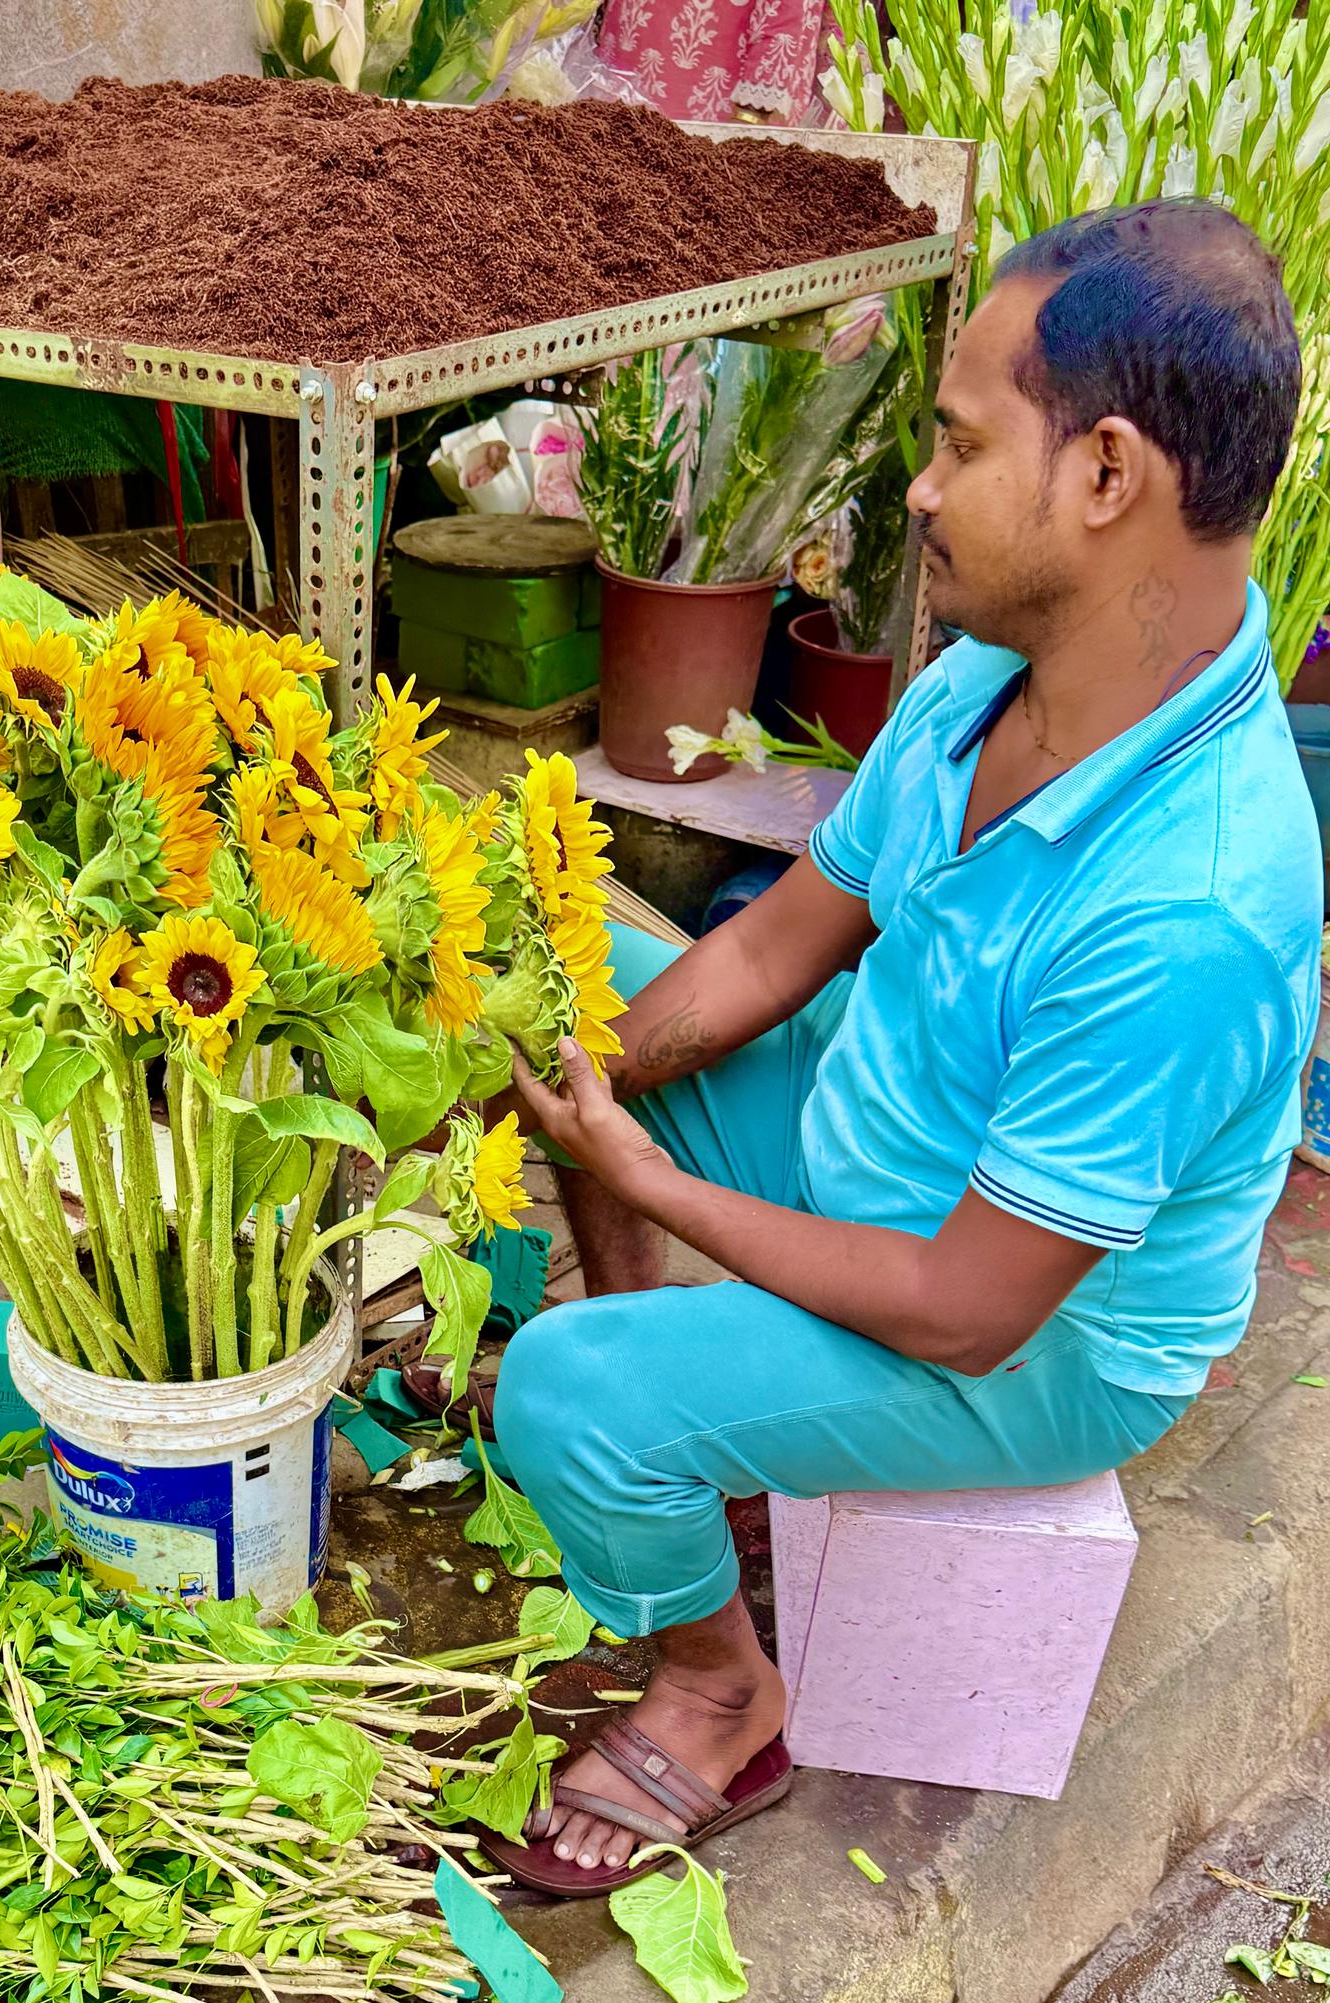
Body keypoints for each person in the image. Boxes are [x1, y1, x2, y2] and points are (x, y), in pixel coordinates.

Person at [485, 199, 1320, 1895]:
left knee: (564, 1391)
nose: (923, 490)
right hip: (887, 1148)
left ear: (1104, 475)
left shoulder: (1196, 905)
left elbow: (970, 1305)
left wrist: (645, 1174)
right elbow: (786, 939)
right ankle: (699, 1450)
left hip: (1042, 1344)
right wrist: (591, 1074)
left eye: (955, 443)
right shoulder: (983, 681)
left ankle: (724, 1689)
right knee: (573, 1074)